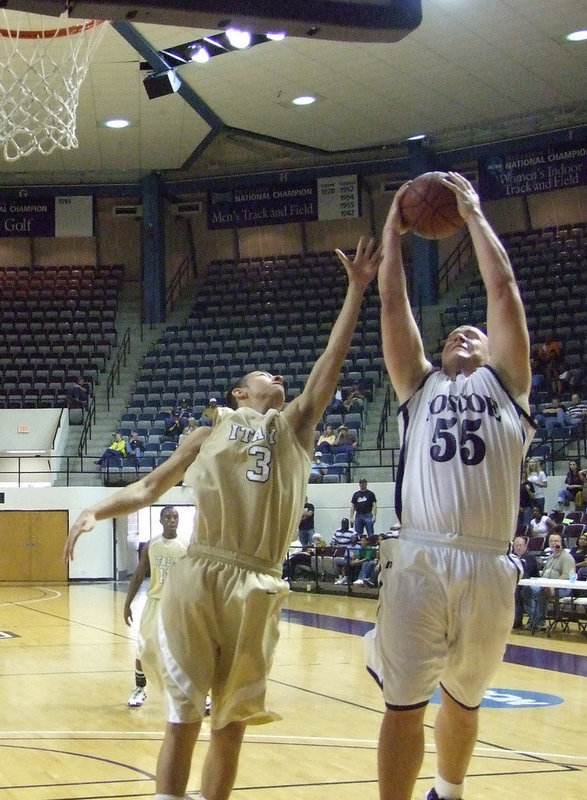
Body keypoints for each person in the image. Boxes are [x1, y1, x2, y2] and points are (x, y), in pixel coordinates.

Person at [64, 236, 381, 800]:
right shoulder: (205, 433)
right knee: (183, 715)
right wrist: (94, 508)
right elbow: (148, 487)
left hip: (259, 578)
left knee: (231, 723)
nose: (277, 378)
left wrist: (356, 291)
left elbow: (328, 368)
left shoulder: (295, 426)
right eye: (265, 375)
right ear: (239, 391)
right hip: (202, 570)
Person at [366, 172, 534, 800]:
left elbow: (503, 289)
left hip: (489, 563)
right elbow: (392, 304)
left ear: (494, 350)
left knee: (465, 699)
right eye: (453, 334)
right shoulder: (419, 387)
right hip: (418, 555)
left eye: (476, 333)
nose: (464, 334)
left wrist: (473, 216)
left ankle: (449, 792)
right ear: (437, 352)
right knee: (404, 704)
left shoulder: (508, 387)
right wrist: (393, 228)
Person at [124, 506, 188, 707]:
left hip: (177, 604)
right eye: (167, 517)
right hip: (154, 602)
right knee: (143, 648)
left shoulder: (186, 546)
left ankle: (195, 694)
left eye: (175, 517)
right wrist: (127, 603)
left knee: (185, 651)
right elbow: (138, 575)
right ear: (160, 521)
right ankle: (139, 689)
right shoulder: (151, 545)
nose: (172, 520)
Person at [529, 531, 575, 630]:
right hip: (546, 585)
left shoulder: (567, 557)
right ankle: (532, 619)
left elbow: (567, 575)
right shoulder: (550, 557)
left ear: (562, 543)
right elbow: (544, 573)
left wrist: (553, 585)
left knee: (543, 592)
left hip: (562, 588)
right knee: (526, 591)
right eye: (551, 541)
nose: (554, 543)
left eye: (556, 541)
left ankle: (539, 622)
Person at [511, 535, 541, 629]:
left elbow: (525, 573)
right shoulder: (512, 557)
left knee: (518, 592)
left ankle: (519, 620)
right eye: (516, 545)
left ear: (525, 546)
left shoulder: (530, 557)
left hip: (533, 585)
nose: (518, 547)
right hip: (519, 584)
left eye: (520, 545)